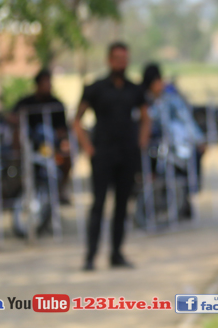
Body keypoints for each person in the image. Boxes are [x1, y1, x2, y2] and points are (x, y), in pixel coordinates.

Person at [73, 41, 150, 270]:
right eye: (117, 59)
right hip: (103, 154)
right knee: (98, 205)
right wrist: (88, 147)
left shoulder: (135, 89)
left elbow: (146, 118)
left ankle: (116, 253)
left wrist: (140, 143)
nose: (121, 63)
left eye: (124, 59)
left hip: (127, 154)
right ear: (109, 60)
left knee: (122, 205)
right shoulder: (95, 88)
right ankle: (90, 256)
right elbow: (77, 120)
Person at [140, 63, 202, 219]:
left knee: (181, 177)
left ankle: (183, 207)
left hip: (176, 147)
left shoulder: (171, 99)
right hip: (156, 149)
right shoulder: (145, 101)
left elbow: (186, 120)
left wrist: (198, 138)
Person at [12, 68, 72, 204]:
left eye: (50, 82)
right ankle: (20, 186)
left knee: (67, 155)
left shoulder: (56, 104)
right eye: (45, 82)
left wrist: (62, 141)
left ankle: (61, 189)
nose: (48, 86)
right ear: (38, 84)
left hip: (51, 145)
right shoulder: (26, 103)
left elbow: (62, 129)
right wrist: (19, 121)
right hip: (30, 144)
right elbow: (12, 116)